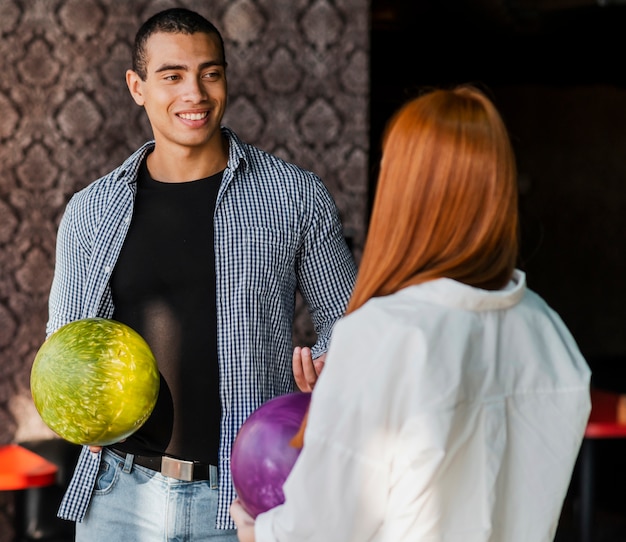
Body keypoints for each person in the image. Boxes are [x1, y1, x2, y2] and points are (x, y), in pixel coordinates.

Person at [46, 7, 356, 541]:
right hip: (118, 497)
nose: (195, 92)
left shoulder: (294, 196)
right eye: (172, 76)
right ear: (137, 87)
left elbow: (350, 320)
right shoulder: (91, 210)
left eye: (210, 73)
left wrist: (333, 364)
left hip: (245, 501)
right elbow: (66, 343)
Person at [230, 85, 591, 541]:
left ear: (405, 190)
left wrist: (257, 529)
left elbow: (319, 528)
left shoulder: (384, 334)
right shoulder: (546, 330)